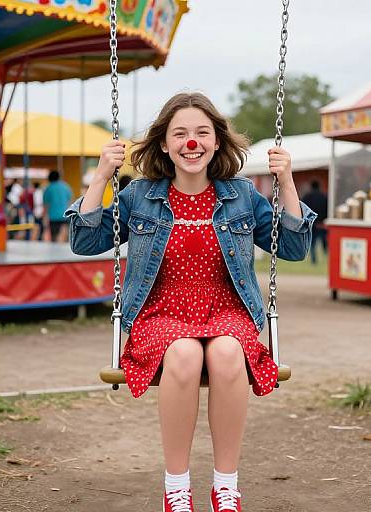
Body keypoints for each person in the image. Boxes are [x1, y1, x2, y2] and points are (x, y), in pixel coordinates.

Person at [65, 92, 316, 512]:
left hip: (227, 312)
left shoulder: (241, 195)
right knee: (182, 354)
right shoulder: (139, 196)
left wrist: (286, 181)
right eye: (179, 133)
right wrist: (101, 175)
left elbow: (291, 246)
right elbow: (85, 239)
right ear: (164, 144)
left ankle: (226, 485)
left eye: (202, 133)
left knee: (228, 353)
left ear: (217, 141)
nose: (191, 142)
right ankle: (176, 487)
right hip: (160, 313)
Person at [302, 180, 328, 265]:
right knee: (325, 242)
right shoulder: (324, 196)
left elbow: (303, 209)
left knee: (312, 244)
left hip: (311, 223)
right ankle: (327, 259)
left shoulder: (307, 196)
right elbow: (327, 209)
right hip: (321, 223)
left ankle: (313, 261)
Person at [43, 170, 72, 242]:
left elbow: (46, 205)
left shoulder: (48, 188)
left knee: (54, 237)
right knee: (63, 236)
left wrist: (45, 217)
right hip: (65, 215)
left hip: (53, 217)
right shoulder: (66, 187)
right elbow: (70, 202)